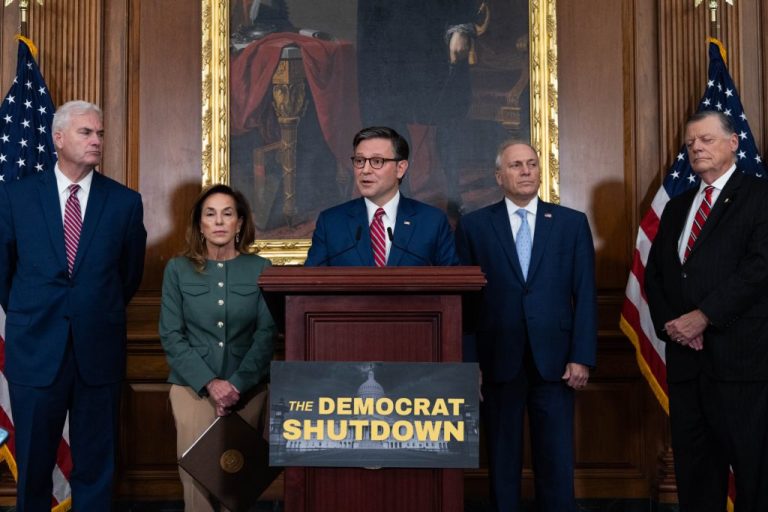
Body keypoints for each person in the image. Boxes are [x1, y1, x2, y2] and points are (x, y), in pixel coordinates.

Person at [0, 100, 146, 510]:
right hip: (35, 350)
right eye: (86, 132)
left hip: (97, 351)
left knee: (96, 464)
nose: (96, 140)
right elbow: (4, 274)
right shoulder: (15, 197)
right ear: (58, 138)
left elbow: (128, 277)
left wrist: (91, 309)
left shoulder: (124, 203)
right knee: (33, 462)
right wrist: (35, 314)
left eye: (100, 133)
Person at [455, 141, 596, 512]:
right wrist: (470, 365)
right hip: (498, 362)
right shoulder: (474, 226)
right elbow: (464, 305)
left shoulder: (571, 223)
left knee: (556, 462)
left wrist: (582, 357)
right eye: (516, 165)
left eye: (532, 164)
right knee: (502, 462)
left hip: (556, 362)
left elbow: (584, 296)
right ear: (500, 176)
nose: (526, 171)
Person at [645, 110, 768, 512]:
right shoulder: (677, 206)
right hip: (686, 365)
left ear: (734, 143)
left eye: (706, 139)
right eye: (690, 142)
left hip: (741, 367)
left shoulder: (759, 196)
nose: (696, 147)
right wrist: (674, 327)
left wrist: (704, 316)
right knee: (696, 479)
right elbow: (657, 276)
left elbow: (758, 269)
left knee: (754, 476)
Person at [159, 184, 276, 512]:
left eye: (228, 214)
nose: (219, 221)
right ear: (200, 224)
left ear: (240, 222)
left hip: (248, 390)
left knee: (238, 479)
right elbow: (171, 334)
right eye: (210, 214)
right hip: (192, 389)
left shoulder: (261, 268)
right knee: (197, 479)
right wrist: (211, 384)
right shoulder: (178, 270)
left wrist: (236, 384)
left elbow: (266, 335)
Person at [304, 126, 458, 266]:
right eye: (359, 161)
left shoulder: (432, 222)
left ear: (400, 168)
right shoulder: (331, 222)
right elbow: (310, 286)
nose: (365, 170)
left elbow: (453, 286)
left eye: (377, 161)